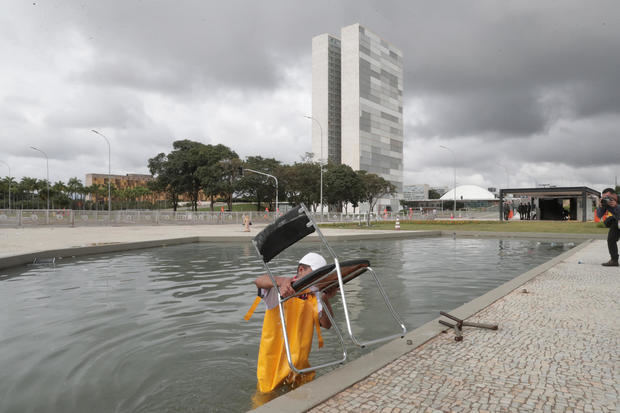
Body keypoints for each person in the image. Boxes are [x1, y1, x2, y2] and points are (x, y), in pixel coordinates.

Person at [248, 252, 337, 393]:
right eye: (315, 275)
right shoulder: (279, 289)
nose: (317, 280)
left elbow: (327, 324)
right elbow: (259, 280)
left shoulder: (315, 295)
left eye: (320, 277)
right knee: (266, 398)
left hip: (299, 365)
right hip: (273, 365)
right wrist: (282, 281)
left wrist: (326, 299)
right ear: (301, 270)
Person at [596, 188, 620, 266]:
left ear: (614, 195)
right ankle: (614, 260)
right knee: (611, 239)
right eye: (604, 198)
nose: (606, 199)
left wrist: (616, 206)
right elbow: (599, 215)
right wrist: (600, 205)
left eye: (607, 197)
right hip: (617, 220)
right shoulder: (606, 203)